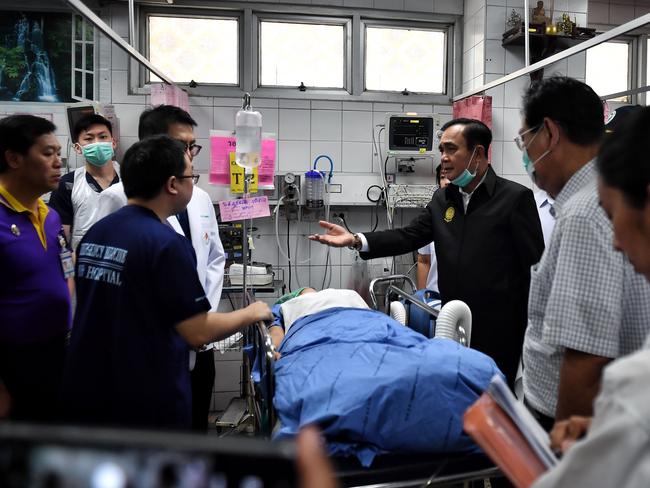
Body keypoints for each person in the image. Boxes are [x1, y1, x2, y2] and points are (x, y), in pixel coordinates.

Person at [310, 118, 544, 388]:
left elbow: (535, 267)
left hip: (499, 331)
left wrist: (533, 331)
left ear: (478, 154)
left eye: (451, 149)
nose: (443, 158)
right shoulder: (444, 199)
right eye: (441, 149)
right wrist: (356, 239)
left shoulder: (514, 199)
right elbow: (408, 236)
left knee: (493, 404)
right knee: (454, 398)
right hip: (452, 324)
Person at [59, 135, 271, 430]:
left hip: (91, 391)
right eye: (190, 177)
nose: (192, 184)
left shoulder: (97, 234)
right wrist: (253, 312)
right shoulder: (166, 244)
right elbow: (197, 333)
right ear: (173, 184)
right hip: (143, 402)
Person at [518, 77, 650, 431]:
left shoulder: (584, 212)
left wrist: (565, 462)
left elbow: (586, 358)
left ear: (549, 132)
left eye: (524, 139)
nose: (525, 153)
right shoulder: (596, 200)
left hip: (564, 422)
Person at [96, 105, 226, 432]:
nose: (190, 155)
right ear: (151, 147)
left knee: (194, 428)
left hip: (199, 340)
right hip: (150, 349)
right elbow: (112, 274)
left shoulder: (197, 197)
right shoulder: (117, 199)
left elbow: (214, 258)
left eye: (192, 146)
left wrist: (201, 319)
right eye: (181, 146)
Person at [0, 114, 71, 422]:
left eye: (58, 153)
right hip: (12, 363)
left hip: (56, 352)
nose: (58, 163)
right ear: (14, 158)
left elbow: (64, 273)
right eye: (47, 153)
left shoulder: (50, 215)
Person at [49, 113, 120, 250]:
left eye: (103, 137)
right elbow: (60, 237)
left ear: (113, 143)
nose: (97, 143)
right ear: (77, 148)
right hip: (82, 264)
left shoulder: (131, 180)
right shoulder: (68, 184)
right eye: (89, 138)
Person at [416, 165, 451, 291]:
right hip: (435, 299)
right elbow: (423, 260)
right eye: (442, 177)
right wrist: (421, 300)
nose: (447, 181)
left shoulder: (474, 213)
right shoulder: (432, 212)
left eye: (451, 176)